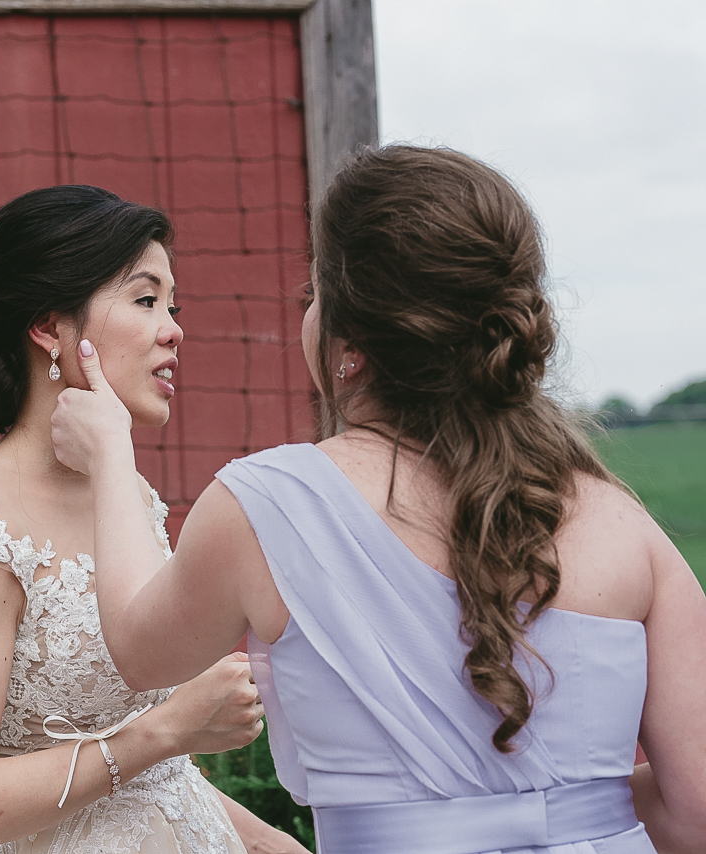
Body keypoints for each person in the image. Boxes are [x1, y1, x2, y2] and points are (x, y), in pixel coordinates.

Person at [50, 146, 706, 854]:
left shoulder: (268, 504)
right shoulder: (622, 523)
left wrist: (110, 454)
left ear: (350, 341)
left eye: (314, 291)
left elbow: (141, 653)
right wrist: (572, 811)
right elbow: (693, 812)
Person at [0, 185, 307, 854]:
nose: (173, 329)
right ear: (48, 327)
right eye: (146, 300)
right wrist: (165, 731)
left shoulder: (129, 495)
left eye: (172, 306)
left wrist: (269, 844)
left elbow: (154, 781)